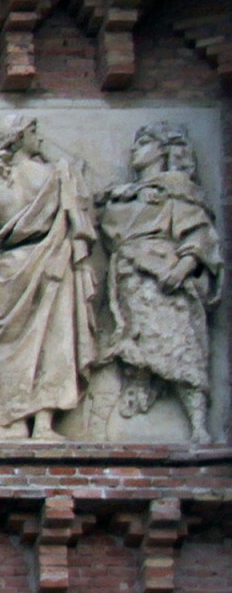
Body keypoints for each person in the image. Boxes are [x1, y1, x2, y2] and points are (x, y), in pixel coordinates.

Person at [0, 115, 96, 440]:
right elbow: (78, 193)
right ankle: (42, 425)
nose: (39, 137)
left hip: (9, 266)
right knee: (53, 340)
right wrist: (53, 157)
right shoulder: (56, 176)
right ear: (21, 137)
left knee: (12, 349)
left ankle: (13, 422)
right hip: (50, 259)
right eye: (34, 132)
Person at [96, 122, 222, 444]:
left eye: (144, 143)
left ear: (164, 150)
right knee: (137, 347)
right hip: (131, 281)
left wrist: (183, 266)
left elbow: (199, 233)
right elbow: (109, 226)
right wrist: (125, 195)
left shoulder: (178, 190)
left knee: (182, 347)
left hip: (165, 280)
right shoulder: (125, 195)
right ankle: (126, 411)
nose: (134, 149)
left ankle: (198, 425)